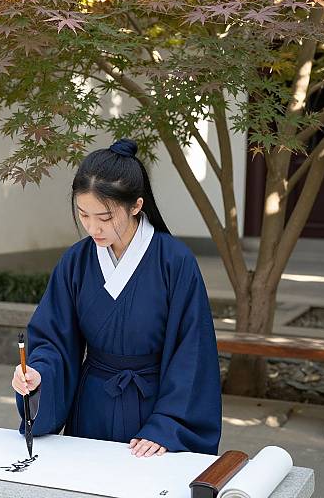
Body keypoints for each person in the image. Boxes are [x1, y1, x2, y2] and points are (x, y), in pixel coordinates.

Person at [12, 138, 222, 458]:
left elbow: (191, 352)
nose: (93, 228)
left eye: (105, 217)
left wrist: (166, 426)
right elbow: (53, 337)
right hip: (91, 408)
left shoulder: (174, 262)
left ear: (136, 205)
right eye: (84, 215)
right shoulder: (77, 261)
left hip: (153, 412)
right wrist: (39, 375)